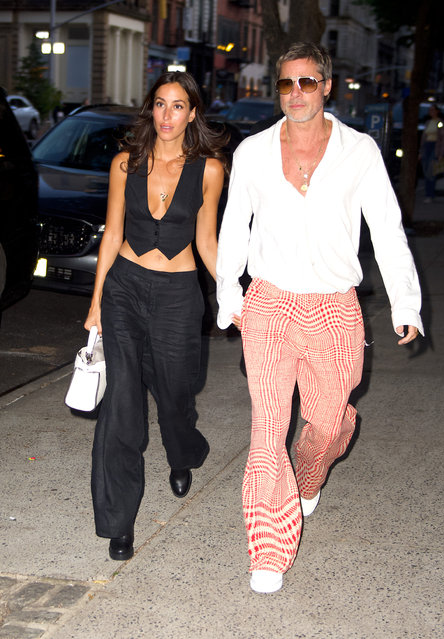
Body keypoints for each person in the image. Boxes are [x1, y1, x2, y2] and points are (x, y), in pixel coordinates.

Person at [216, 42, 424, 594]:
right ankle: (268, 550)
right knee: (266, 431)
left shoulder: (359, 152)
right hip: (270, 301)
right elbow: (234, 226)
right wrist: (226, 292)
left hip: (335, 305)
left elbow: (386, 229)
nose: (297, 94)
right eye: (287, 84)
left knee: (328, 424)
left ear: (327, 86)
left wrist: (407, 301)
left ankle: (310, 474)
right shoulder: (254, 152)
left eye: (308, 82)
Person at [84, 71, 226, 561]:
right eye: (160, 105)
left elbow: (207, 240)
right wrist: (97, 301)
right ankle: (118, 520)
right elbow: (111, 234)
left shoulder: (209, 170)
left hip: (178, 295)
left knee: (174, 395)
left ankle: (184, 452)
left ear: (192, 113)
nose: (168, 116)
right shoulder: (126, 164)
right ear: (152, 110)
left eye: (178, 106)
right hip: (125, 287)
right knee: (121, 402)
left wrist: (235, 294)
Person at [419, 104, 444, 203]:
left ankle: (430, 194)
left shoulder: (440, 122)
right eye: (430, 110)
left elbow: (443, 138)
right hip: (427, 146)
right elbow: (423, 137)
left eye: (433, 110)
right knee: (426, 170)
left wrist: (441, 153)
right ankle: (428, 193)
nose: (431, 112)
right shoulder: (428, 122)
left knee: (431, 170)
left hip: (435, 147)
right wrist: (421, 152)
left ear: (437, 111)